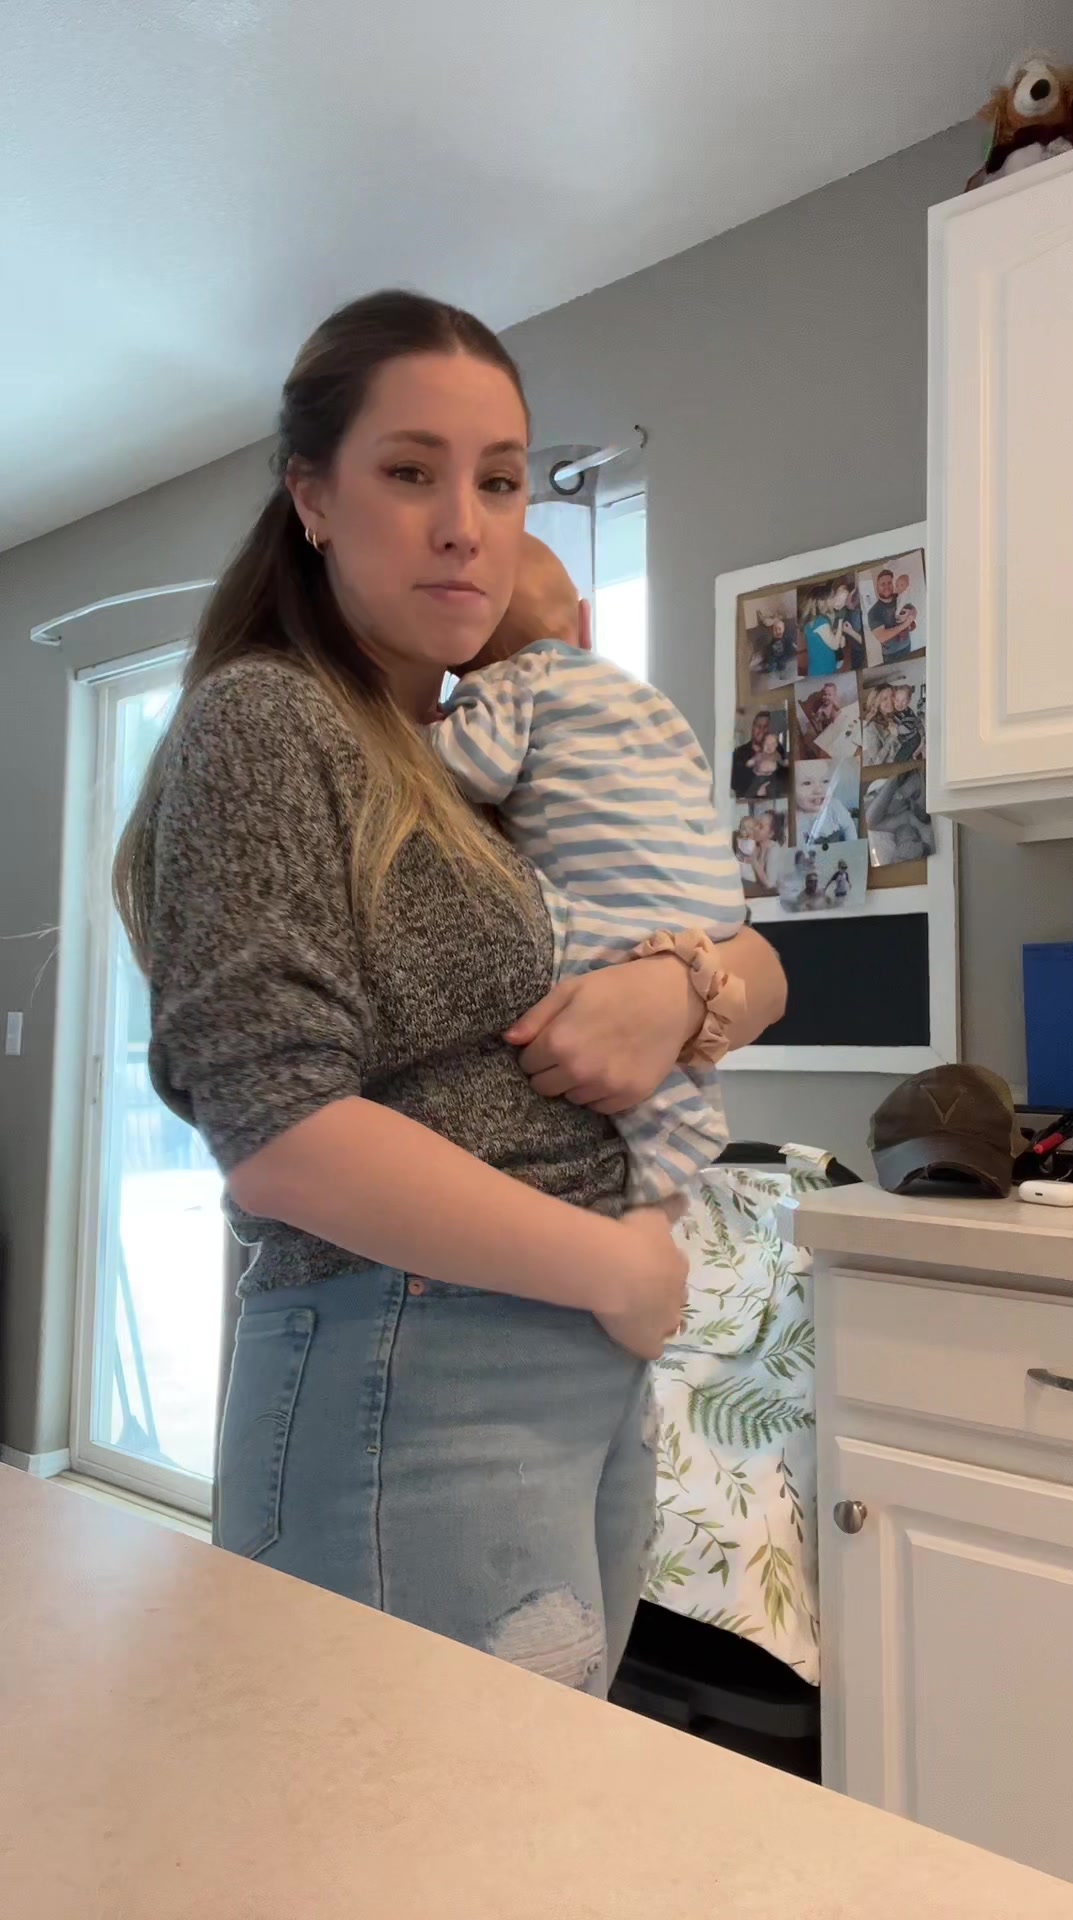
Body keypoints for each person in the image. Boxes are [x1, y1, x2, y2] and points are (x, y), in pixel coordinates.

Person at [112, 289, 786, 1699]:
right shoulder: (272, 719)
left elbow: (757, 957)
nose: (465, 524)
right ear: (312, 495)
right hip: (413, 1354)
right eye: (411, 472)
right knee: (404, 1814)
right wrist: (614, 1266)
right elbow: (279, 1132)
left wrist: (684, 989)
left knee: (516, 1804)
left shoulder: (483, 749)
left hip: (566, 1357)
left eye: (499, 480)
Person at [430, 535, 749, 1200]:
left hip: (610, 901)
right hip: (707, 899)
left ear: (463, 655)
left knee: (579, 1000)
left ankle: (674, 1144)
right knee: (652, 1034)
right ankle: (685, 1135)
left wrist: (429, 731)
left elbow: (476, 768)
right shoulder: (642, 696)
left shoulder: (510, 681)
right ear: (584, 621)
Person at [794, 761, 858, 848]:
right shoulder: (795, 817)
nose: (818, 790)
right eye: (807, 783)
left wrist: (851, 846)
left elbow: (848, 826)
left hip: (835, 846)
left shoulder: (834, 806)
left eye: (825, 781)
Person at [867, 567, 916, 663]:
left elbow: (913, 609)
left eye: (889, 583)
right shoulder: (874, 612)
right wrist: (905, 625)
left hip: (907, 647)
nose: (887, 586)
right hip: (891, 656)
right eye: (883, 584)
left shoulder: (900, 597)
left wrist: (912, 614)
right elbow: (882, 637)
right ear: (877, 587)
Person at [862, 682, 899, 766]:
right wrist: (892, 736)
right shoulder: (872, 727)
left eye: (892, 696)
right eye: (884, 699)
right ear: (877, 703)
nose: (890, 701)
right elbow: (876, 762)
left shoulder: (894, 718)